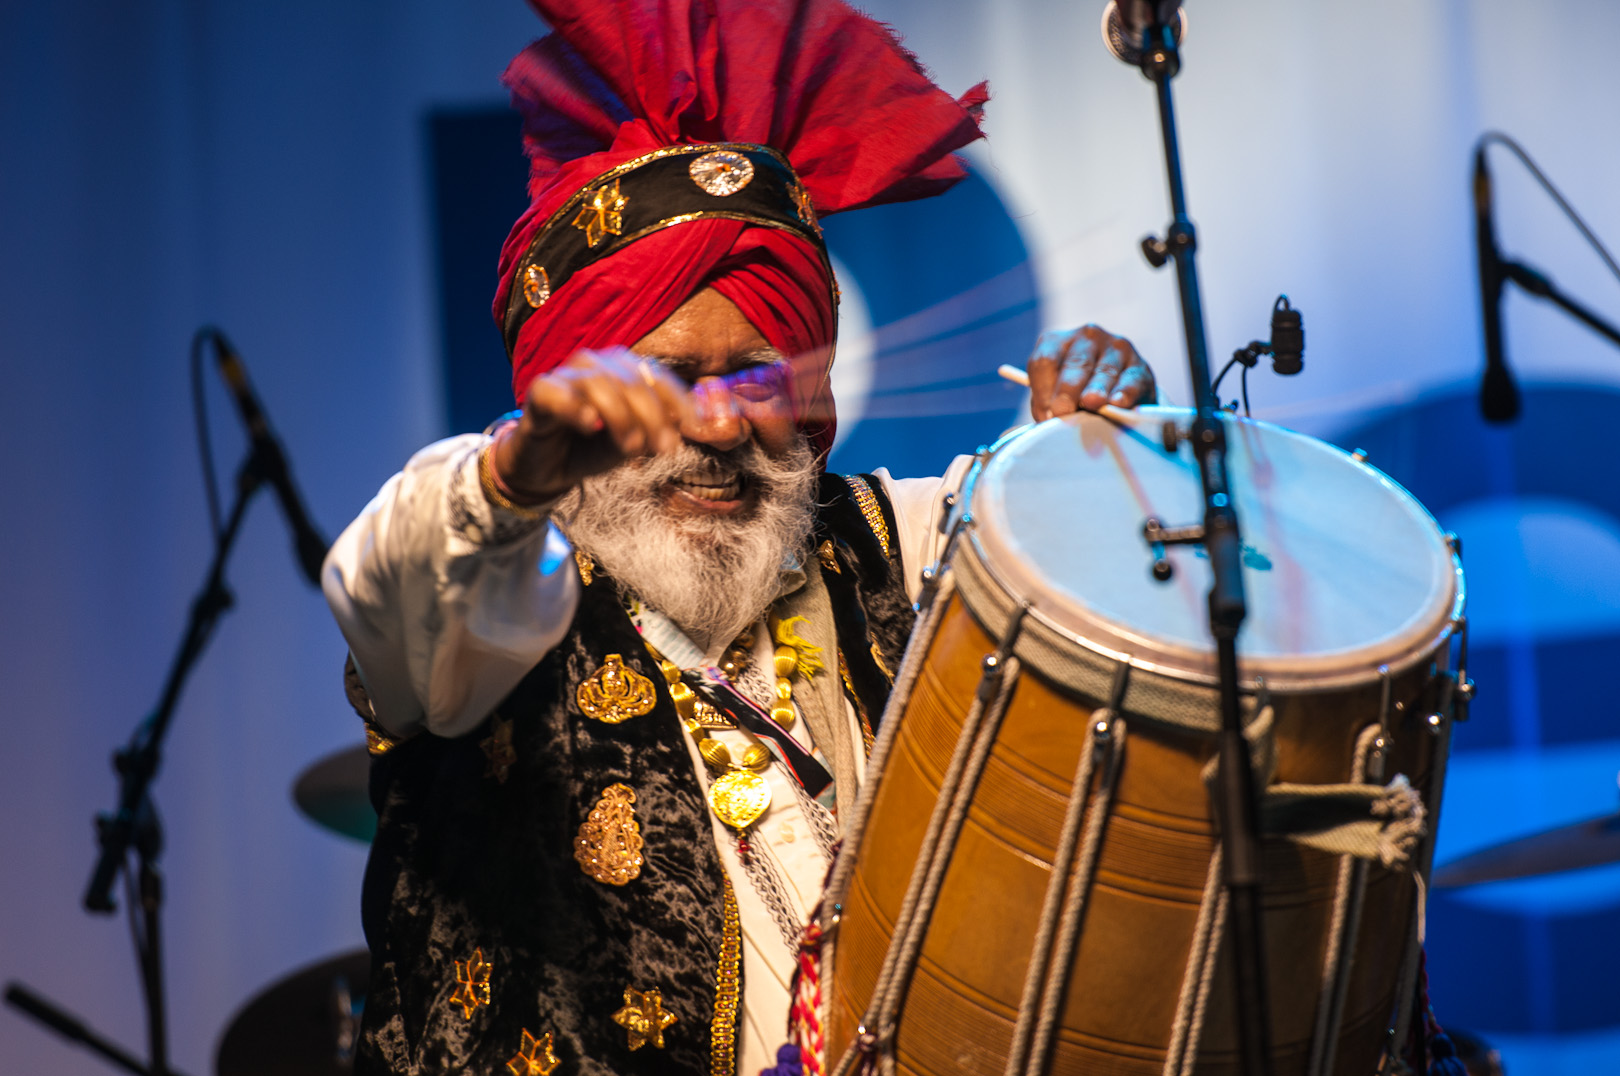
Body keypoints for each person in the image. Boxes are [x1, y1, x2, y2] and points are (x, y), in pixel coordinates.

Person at [323, 1, 1155, 1073]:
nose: (719, 427)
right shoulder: (493, 601)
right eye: (670, 380)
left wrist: (1080, 453)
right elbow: (385, 574)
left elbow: (1056, 554)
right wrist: (512, 470)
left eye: (755, 375)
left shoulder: (886, 542)